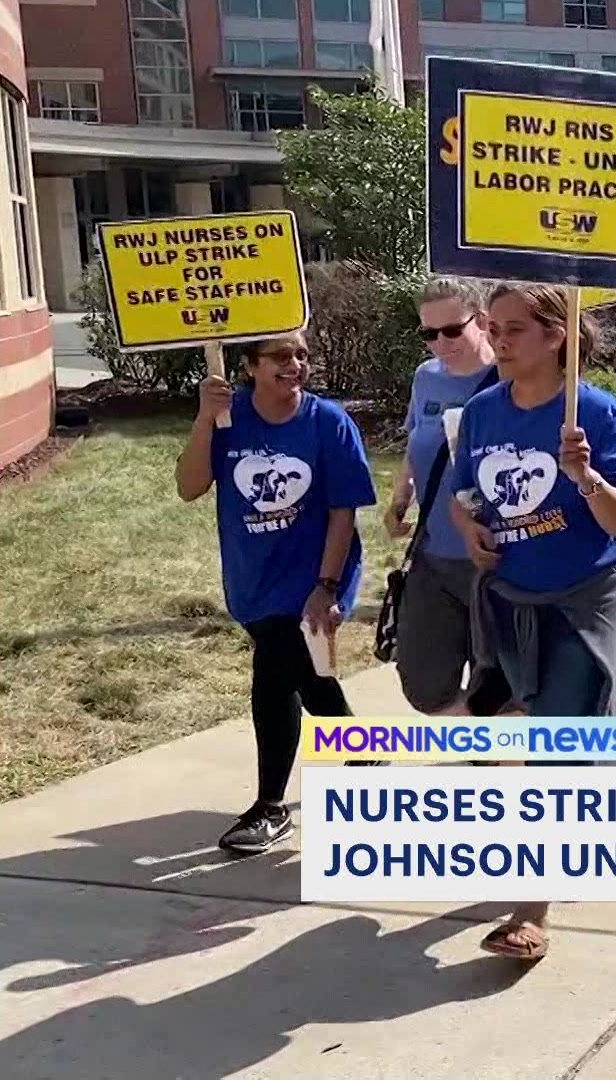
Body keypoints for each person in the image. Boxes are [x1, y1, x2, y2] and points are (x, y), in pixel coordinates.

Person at [449, 282, 616, 961]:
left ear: (557, 336)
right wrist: (470, 527)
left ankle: (529, 912)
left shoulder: (598, 416)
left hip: (584, 599)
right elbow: (464, 494)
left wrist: (587, 479)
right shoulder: (480, 414)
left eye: (513, 328)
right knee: (508, 723)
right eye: (493, 327)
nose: (498, 338)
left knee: (556, 749)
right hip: (509, 600)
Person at [175, 331, 378, 854]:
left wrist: (327, 585)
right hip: (253, 575)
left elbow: (343, 510)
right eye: (281, 356)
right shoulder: (228, 418)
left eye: (303, 355)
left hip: (314, 573)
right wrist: (204, 417)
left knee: (274, 672)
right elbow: (190, 485)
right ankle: (366, 760)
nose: (296, 364)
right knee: (308, 680)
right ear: (249, 365)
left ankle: (269, 807)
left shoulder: (327, 421)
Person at [385, 276, 511, 717]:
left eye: (452, 330)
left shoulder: (509, 378)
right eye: (429, 334)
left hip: (496, 560)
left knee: (496, 685)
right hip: (433, 554)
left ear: (481, 321)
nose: (441, 343)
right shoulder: (426, 378)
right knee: (423, 684)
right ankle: (488, 746)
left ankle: (497, 764)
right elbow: (418, 441)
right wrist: (401, 497)